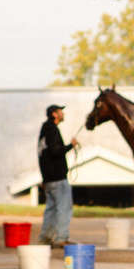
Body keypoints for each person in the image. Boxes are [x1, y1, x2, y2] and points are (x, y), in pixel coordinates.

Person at [38, 104, 78, 247]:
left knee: (51, 209)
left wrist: (44, 178)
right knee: (64, 208)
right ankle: (62, 238)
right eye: (61, 111)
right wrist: (70, 146)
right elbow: (55, 151)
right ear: (54, 114)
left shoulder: (44, 130)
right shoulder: (52, 130)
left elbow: (44, 155)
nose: (63, 113)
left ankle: (45, 238)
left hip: (48, 179)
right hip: (58, 178)